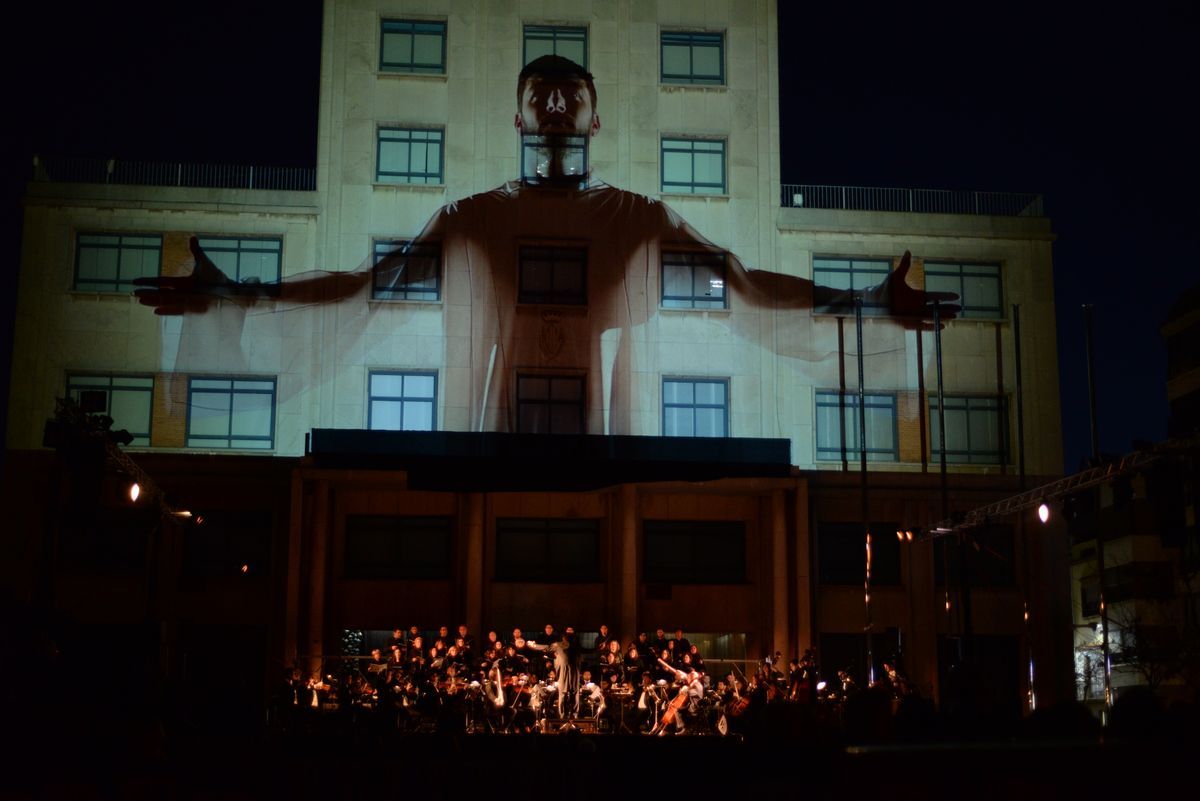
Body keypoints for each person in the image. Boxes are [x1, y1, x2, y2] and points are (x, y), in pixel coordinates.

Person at [134, 56, 960, 433]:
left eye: (572, 95)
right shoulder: (472, 218)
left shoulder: (638, 218)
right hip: (495, 449)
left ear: (595, 119)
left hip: (611, 448)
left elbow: (743, 288)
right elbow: (361, 290)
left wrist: (864, 304)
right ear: (521, 115)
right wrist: (242, 294)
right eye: (543, 93)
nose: (558, 105)